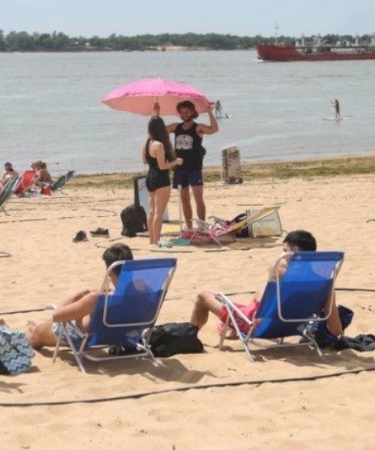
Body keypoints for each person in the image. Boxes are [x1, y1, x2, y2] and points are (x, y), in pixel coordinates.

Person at [190, 229, 343, 339]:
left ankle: (189, 336)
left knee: (203, 296)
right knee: (261, 290)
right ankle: (231, 326)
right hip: (294, 327)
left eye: (284, 251)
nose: (281, 255)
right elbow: (336, 330)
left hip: (259, 326)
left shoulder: (279, 270)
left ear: (294, 251)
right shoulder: (325, 284)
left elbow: (260, 318)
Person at [25, 243, 133, 350]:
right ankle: (36, 328)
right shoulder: (144, 291)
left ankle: (34, 331)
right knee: (43, 327)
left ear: (109, 272)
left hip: (82, 337)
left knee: (36, 338)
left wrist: (81, 295)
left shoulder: (96, 299)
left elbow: (56, 316)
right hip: (115, 336)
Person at [161, 100, 218, 230]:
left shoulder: (198, 128)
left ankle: (203, 227)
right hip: (179, 169)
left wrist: (209, 111)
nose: (184, 115)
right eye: (181, 112)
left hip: (194, 169)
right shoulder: (176, 127)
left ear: (192, 112)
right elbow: (159, 130)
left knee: (198, 198)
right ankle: (190, 227)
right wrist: (156, 113)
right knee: (184, 200)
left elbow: (214, 129)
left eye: (187, 112)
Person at [143, 116, 183, 245]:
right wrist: (174, 162)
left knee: (152, 210)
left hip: (149, 176)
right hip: (160, 178)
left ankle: (151, 240)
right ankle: (156, 241)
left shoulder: (146, 142)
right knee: (159, 212)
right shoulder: (159, 145)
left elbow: (144, 161)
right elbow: (162, 166)